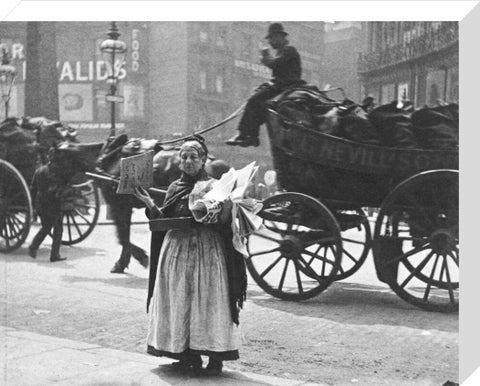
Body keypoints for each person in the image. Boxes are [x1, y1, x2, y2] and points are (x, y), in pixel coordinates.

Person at [134, 138, 247, 376]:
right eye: (183, 157)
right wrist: (148, 203)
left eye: (193, 157)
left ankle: (215, 357)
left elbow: (226, 222)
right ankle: (186, 354)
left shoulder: (216, 187)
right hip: (176, 252)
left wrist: (224, 211)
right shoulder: (175, 188)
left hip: (207, 252)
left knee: (209, 301)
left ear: (203, 160)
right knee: (180, 301)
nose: (187, 161)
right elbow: (163, 220)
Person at [226, 23, 305, 147]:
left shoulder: (289, 50)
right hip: (281, 84)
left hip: (286, 85)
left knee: (253, 100)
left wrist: (265, 57)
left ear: (280, 37)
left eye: (272, 39)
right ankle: (251, 136)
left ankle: (245, 134)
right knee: (258, 101)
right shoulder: (282, 51)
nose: (271, 42)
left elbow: (276, 65)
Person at [28, 152, 71, 262]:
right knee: (58, 229)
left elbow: (33, 188)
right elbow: (64, 186)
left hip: (41, 203)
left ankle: (33, 247)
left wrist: (34, 205)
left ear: (49, 158)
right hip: (53, 203)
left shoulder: (39, 170)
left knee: (46, 227)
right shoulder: (58, 172)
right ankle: (54, 254)